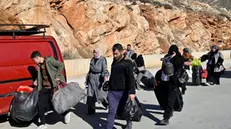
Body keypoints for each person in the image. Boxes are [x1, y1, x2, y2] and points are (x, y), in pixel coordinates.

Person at [31, 51, 71, 129]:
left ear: (37, 58)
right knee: (40, 105)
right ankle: (43, 124)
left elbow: (61, 65)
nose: (34, 61)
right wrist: (37, 81)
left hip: (53, 87)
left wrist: (57, 75)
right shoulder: (39, 65)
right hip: (45, 87)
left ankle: (65, 113)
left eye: (34, 60)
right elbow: (41, 76)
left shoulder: (49, 61)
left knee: (54, 104)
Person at [107, 43, 136, 129]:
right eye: (114, 54)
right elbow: (113, 75)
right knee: (111, 111)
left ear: (122, 52)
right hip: (112, 91)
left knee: (125, 109)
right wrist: (109, 83)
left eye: (117, 54)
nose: (115, 56)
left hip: (124, 92)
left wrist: (132, 92)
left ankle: (129, 122)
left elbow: (131, 78)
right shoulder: (114, 61)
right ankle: (109, 127)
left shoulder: (127, 63)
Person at [159, 45, 184, 125]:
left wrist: (173, 58)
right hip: (164, 81)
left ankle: (166, 118)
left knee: (170, 100)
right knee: (166, 98)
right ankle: (171, 110)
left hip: (174, 82)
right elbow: (163, 67)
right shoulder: (167, 57)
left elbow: (178, 66)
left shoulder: (179, 58)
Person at [86, 48, 109, 114]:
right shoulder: (92, 60)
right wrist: (87, 79)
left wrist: (105, 76)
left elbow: (105, 69)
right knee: (90, 94)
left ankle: (106, 103)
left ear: (99, 52)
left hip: (99, 79)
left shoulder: (102, 60)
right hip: (92, 79)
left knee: (101, 94)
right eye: (94, 52)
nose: (94, 53)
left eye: (95, 52)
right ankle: (91, 109)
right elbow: (89, 70)